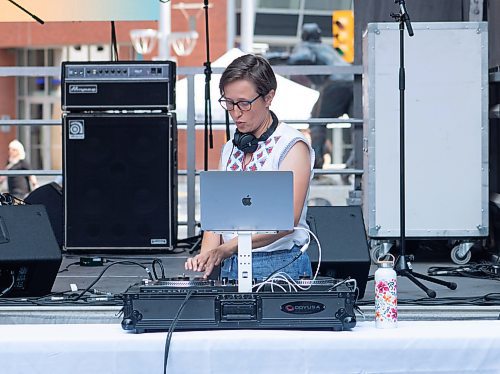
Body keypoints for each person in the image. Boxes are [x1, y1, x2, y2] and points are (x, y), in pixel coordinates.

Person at [185, 54, 314, 281]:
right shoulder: (230, 149)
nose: (235, 113)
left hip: (280, 266)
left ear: (269, 97)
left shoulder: (292, 147)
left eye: (244, 103)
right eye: (229, 103)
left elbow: (286, 221)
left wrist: (227, 249)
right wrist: (205, 260)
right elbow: (217, 220)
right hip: (230, 265)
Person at [288, 23, 354, 170]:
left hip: (336, 82)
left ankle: (316, 164)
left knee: (317, 122)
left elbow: (302, 57)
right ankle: (355, 161)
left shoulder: (306, 46)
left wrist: (275, 57)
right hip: (352, 81)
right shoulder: (326, 48)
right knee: (357, 124)